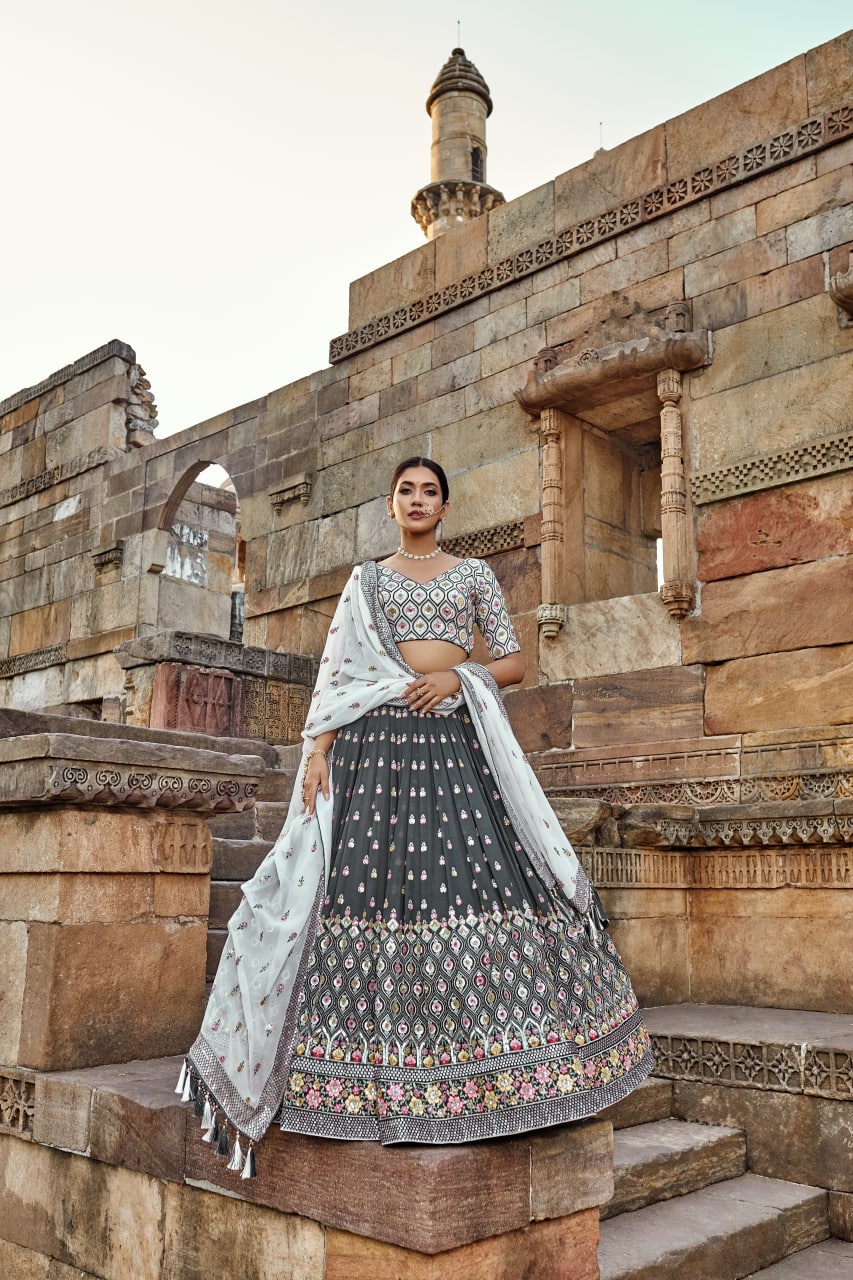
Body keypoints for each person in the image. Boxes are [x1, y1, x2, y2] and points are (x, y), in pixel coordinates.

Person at [178, 457, 653, 1173]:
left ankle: (492, 1073)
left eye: (430, 491)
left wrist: (454, 676)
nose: (418, 500)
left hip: (453, 750)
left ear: (445, 506)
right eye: (406, 490)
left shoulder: (473, 576)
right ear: (391, 504)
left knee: (468, 888)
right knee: (365, 895)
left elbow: (514, 663)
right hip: (371, 753)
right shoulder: (365, 581)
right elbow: (337, 675)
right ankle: (354, 1080)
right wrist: (317, 753)